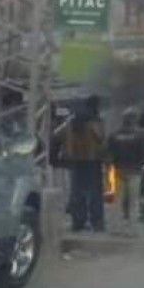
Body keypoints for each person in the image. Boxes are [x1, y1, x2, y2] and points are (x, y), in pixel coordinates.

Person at [64, 95, 106, 233]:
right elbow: (100, 138)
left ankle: (78, 222)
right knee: (95, 193)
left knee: (77, 192)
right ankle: (97, 222)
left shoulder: (73, 121)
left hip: (76, 160)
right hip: (93, 160)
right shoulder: (94, 121)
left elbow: (67, 141)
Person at [108, 107, 144, 231]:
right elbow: (143, 153)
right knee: (133, 202)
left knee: (118, 200)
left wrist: (114, 165)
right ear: (134, 119)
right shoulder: (140, 136)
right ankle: (133, 229)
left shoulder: (114, 135)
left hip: (119, 170)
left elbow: (110, 152)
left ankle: (116, 228)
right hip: (135, 171)